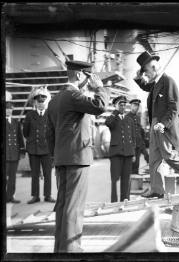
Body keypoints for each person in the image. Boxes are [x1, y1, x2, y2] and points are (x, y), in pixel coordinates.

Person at [47, 60, 110, 252]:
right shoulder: (73, 95)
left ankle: (60, 249)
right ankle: (71, 250)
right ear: (81, 75)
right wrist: (100, 88)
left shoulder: (54, 100)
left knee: (63, 205)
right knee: (74, 208)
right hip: (77, 159)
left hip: (61, 159)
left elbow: (50, 134)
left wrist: (55, 156)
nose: (89, 81)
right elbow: (100, 106)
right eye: (88, 77)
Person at [134, 51, 179, 199]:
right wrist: (138, 78)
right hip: (155, 123)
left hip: (162, 124)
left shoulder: (168, 81)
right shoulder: (156, 83)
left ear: (153, 67)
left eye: (146, 71)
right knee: (154, 159)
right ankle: (157, 190)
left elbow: (174, 107)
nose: (146, 75)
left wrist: (163, 124)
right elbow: (146, 87)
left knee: (168, 155)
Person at [23, 86, 56, 204]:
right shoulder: (29, 115)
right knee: (35, 174)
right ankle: (35, 196)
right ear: (35, 103)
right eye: (38, 102)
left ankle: (48, 195)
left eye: (43, 102)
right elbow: (25, 132)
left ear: (46, 102)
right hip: (33, 149)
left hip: (47, 150)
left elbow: (53, 132)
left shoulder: (50, 114)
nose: (41, 104)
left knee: (47, 174)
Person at [105, 96, 136, 203]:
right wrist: (115, 112)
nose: (122, 107)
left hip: (128, 153)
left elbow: (133, 137)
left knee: (126, 179)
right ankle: (114, 202)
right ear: (116, 106)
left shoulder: (129, 119)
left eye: (124, 105)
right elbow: (108, 123)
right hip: (115, 153)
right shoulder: (112, 118)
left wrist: (133, 153)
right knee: (115, 180)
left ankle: (125, 201)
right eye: (120, 105)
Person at [6, 91, 25, 204]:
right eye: (7, 108)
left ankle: (10, 196)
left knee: (12, 177)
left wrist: (22, 150)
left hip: (14, 154)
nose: (8, 110)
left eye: (10, 108)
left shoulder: (16, 122)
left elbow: (20, 137)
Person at [125, 99, 149, 174]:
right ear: (131, 106)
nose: (136, 107)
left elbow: (139, 130)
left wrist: (144, 137)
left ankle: (138, 183)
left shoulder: (138, 117)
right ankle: (132, 184)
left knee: (147, 158)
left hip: (140, 143)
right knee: (134, 165)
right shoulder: (127, 117)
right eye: (135, 105)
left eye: (138, 105)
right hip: (133, 146)